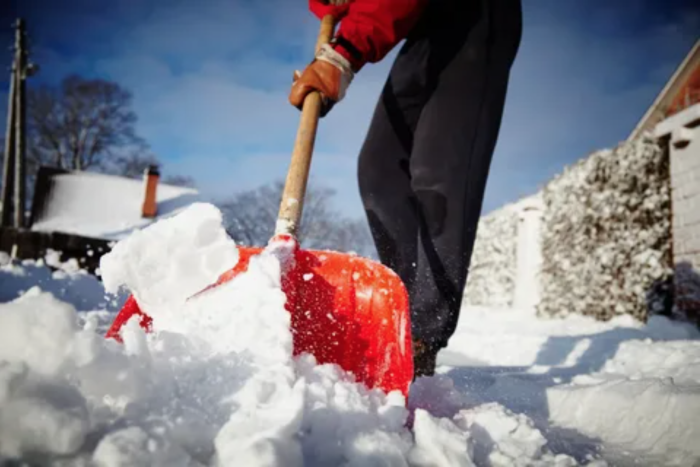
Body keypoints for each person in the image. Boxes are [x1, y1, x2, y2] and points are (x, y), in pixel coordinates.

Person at [289, 0, 522, 378]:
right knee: (379, 170)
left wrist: (343, 55)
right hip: (425, 27)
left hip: (475, 16)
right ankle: (402, 312)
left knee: (438, 171)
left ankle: (421, 336)